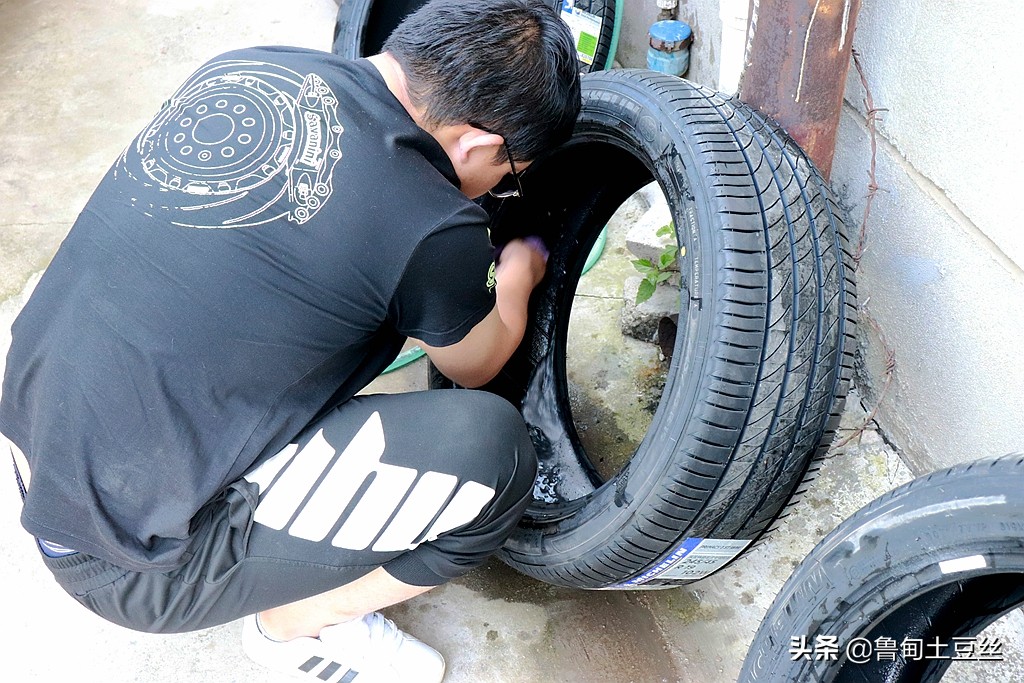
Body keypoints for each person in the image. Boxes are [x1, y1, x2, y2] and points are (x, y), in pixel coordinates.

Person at [0, 1, 581, 680]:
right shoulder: (432, 226)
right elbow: (478, 361)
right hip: (126, 561)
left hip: (37, 443)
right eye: (509, 176)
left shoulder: (248, 68)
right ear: (478, 145)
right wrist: (516, 276)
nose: (499, 190)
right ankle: (293, 628)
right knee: (495, 453)